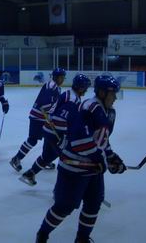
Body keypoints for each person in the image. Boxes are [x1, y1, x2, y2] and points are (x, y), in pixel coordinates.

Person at [35, 75, 126, 243]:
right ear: (102, 92)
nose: (114, 99)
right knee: (64, 207)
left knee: (94, 204)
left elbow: (101, 140)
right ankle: (42, 234)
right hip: (73, 170)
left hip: (93, 171)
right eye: (113, 95)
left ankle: (82, 238)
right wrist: (102, 160)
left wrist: (112, 156)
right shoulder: (88, 108)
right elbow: (79, 142)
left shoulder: (108, 111)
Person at [19, 74, 91, 186]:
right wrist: (63, 137)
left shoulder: (67, 93)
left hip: (48, 129)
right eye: (86, 87)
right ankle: (61, 189)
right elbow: (60, 118)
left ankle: (29, 174)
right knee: (65, 160)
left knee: (47, 156)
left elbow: (55, 112)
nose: (86, 90)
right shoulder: (73, 100)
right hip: (56, 133)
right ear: (81, 87)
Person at [9, 68, 66, 172]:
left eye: (63, 77)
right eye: (61, 77)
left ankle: (45, 160)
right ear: (56, 77)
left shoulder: (56, 87)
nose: (62, 80)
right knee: (33, 139)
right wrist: (51, 113)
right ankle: (16, 158)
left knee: (48, 140)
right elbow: (45, 104)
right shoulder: (51, 86)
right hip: (38, 117)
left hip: (44, 118)